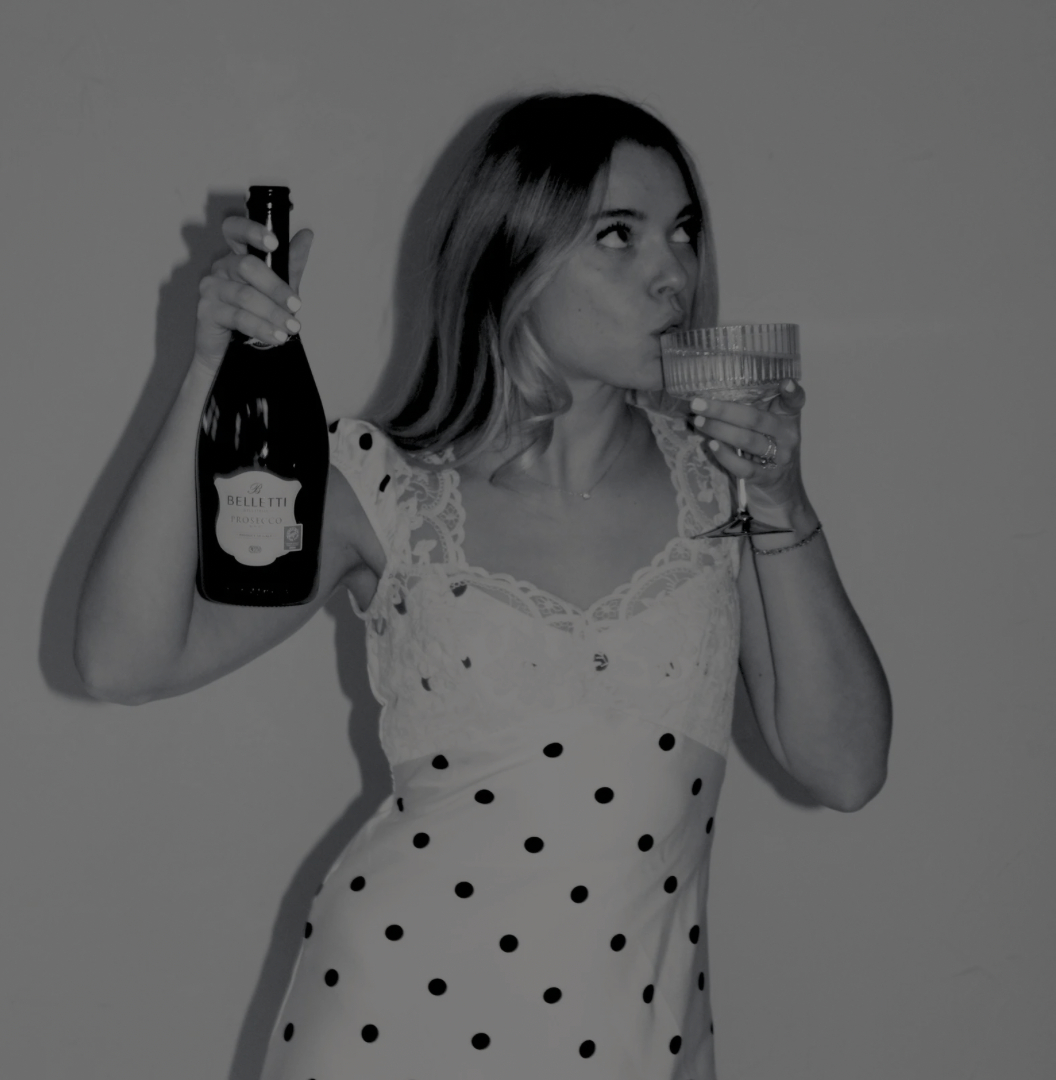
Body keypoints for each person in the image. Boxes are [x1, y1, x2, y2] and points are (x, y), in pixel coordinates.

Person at [74, 91, 892, 1080]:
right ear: (514, 258)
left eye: (683, 231)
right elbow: (123, 661)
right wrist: (206, 371)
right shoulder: (387, 487)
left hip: (634, 1044)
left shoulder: (724, 485)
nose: (673, 272)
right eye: (619, 234)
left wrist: (782, 500)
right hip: (387, 1026)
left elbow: (846, 770)